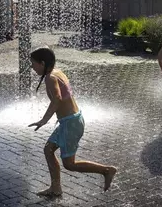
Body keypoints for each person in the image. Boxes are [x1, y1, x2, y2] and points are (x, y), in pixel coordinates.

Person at [28, 47, 117, 197]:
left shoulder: (50, 77)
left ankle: (106, 170)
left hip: (71, 124)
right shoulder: (57, 72)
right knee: (48, 150)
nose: (32, 67)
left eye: (33, 64)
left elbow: (57, 99)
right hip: (70, 121)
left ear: (42, 63)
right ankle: (55, 188)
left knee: (69, 164)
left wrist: (43, 120)